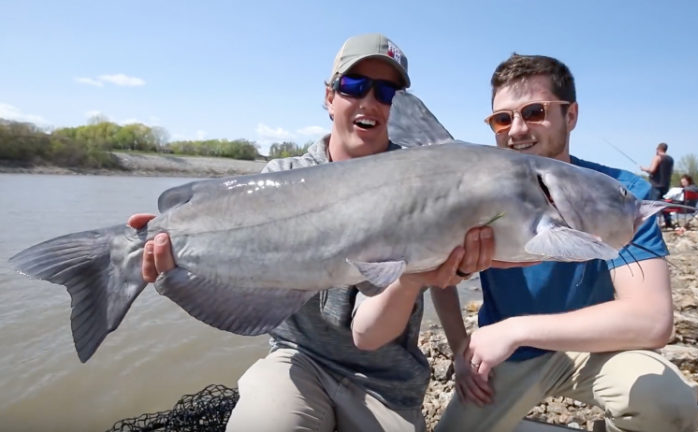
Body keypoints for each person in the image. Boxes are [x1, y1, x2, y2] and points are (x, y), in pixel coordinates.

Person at [128, 33, 496, 431]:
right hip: (298, 360)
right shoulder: (282, 178)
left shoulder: (428, 178)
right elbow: (242, 288)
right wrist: (174, 269)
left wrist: (461, 348)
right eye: (354, 86)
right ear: (329, 96)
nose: (370, 101)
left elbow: (437, 277)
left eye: (387, 92)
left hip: (386, 383)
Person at [434, 54, 698, 432]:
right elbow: (436, 270)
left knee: (667, 403)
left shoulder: (620, 196)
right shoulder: (477, 195)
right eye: (502, 119)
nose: (517, 130)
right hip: (509, 360)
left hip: (598, 350)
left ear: (570, 115)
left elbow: (651, 319)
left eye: (535, 111)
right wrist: (461, 349)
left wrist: (514, 330)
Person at [641, 142, 675, 227]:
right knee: (662, 203)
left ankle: (651, 225)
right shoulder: (670, 159)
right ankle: (668, 221)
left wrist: (644, 169)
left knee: (652, 205)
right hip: (666, 185)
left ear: (658, 149)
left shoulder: (658, 157)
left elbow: (652, 170)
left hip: (656, 185)